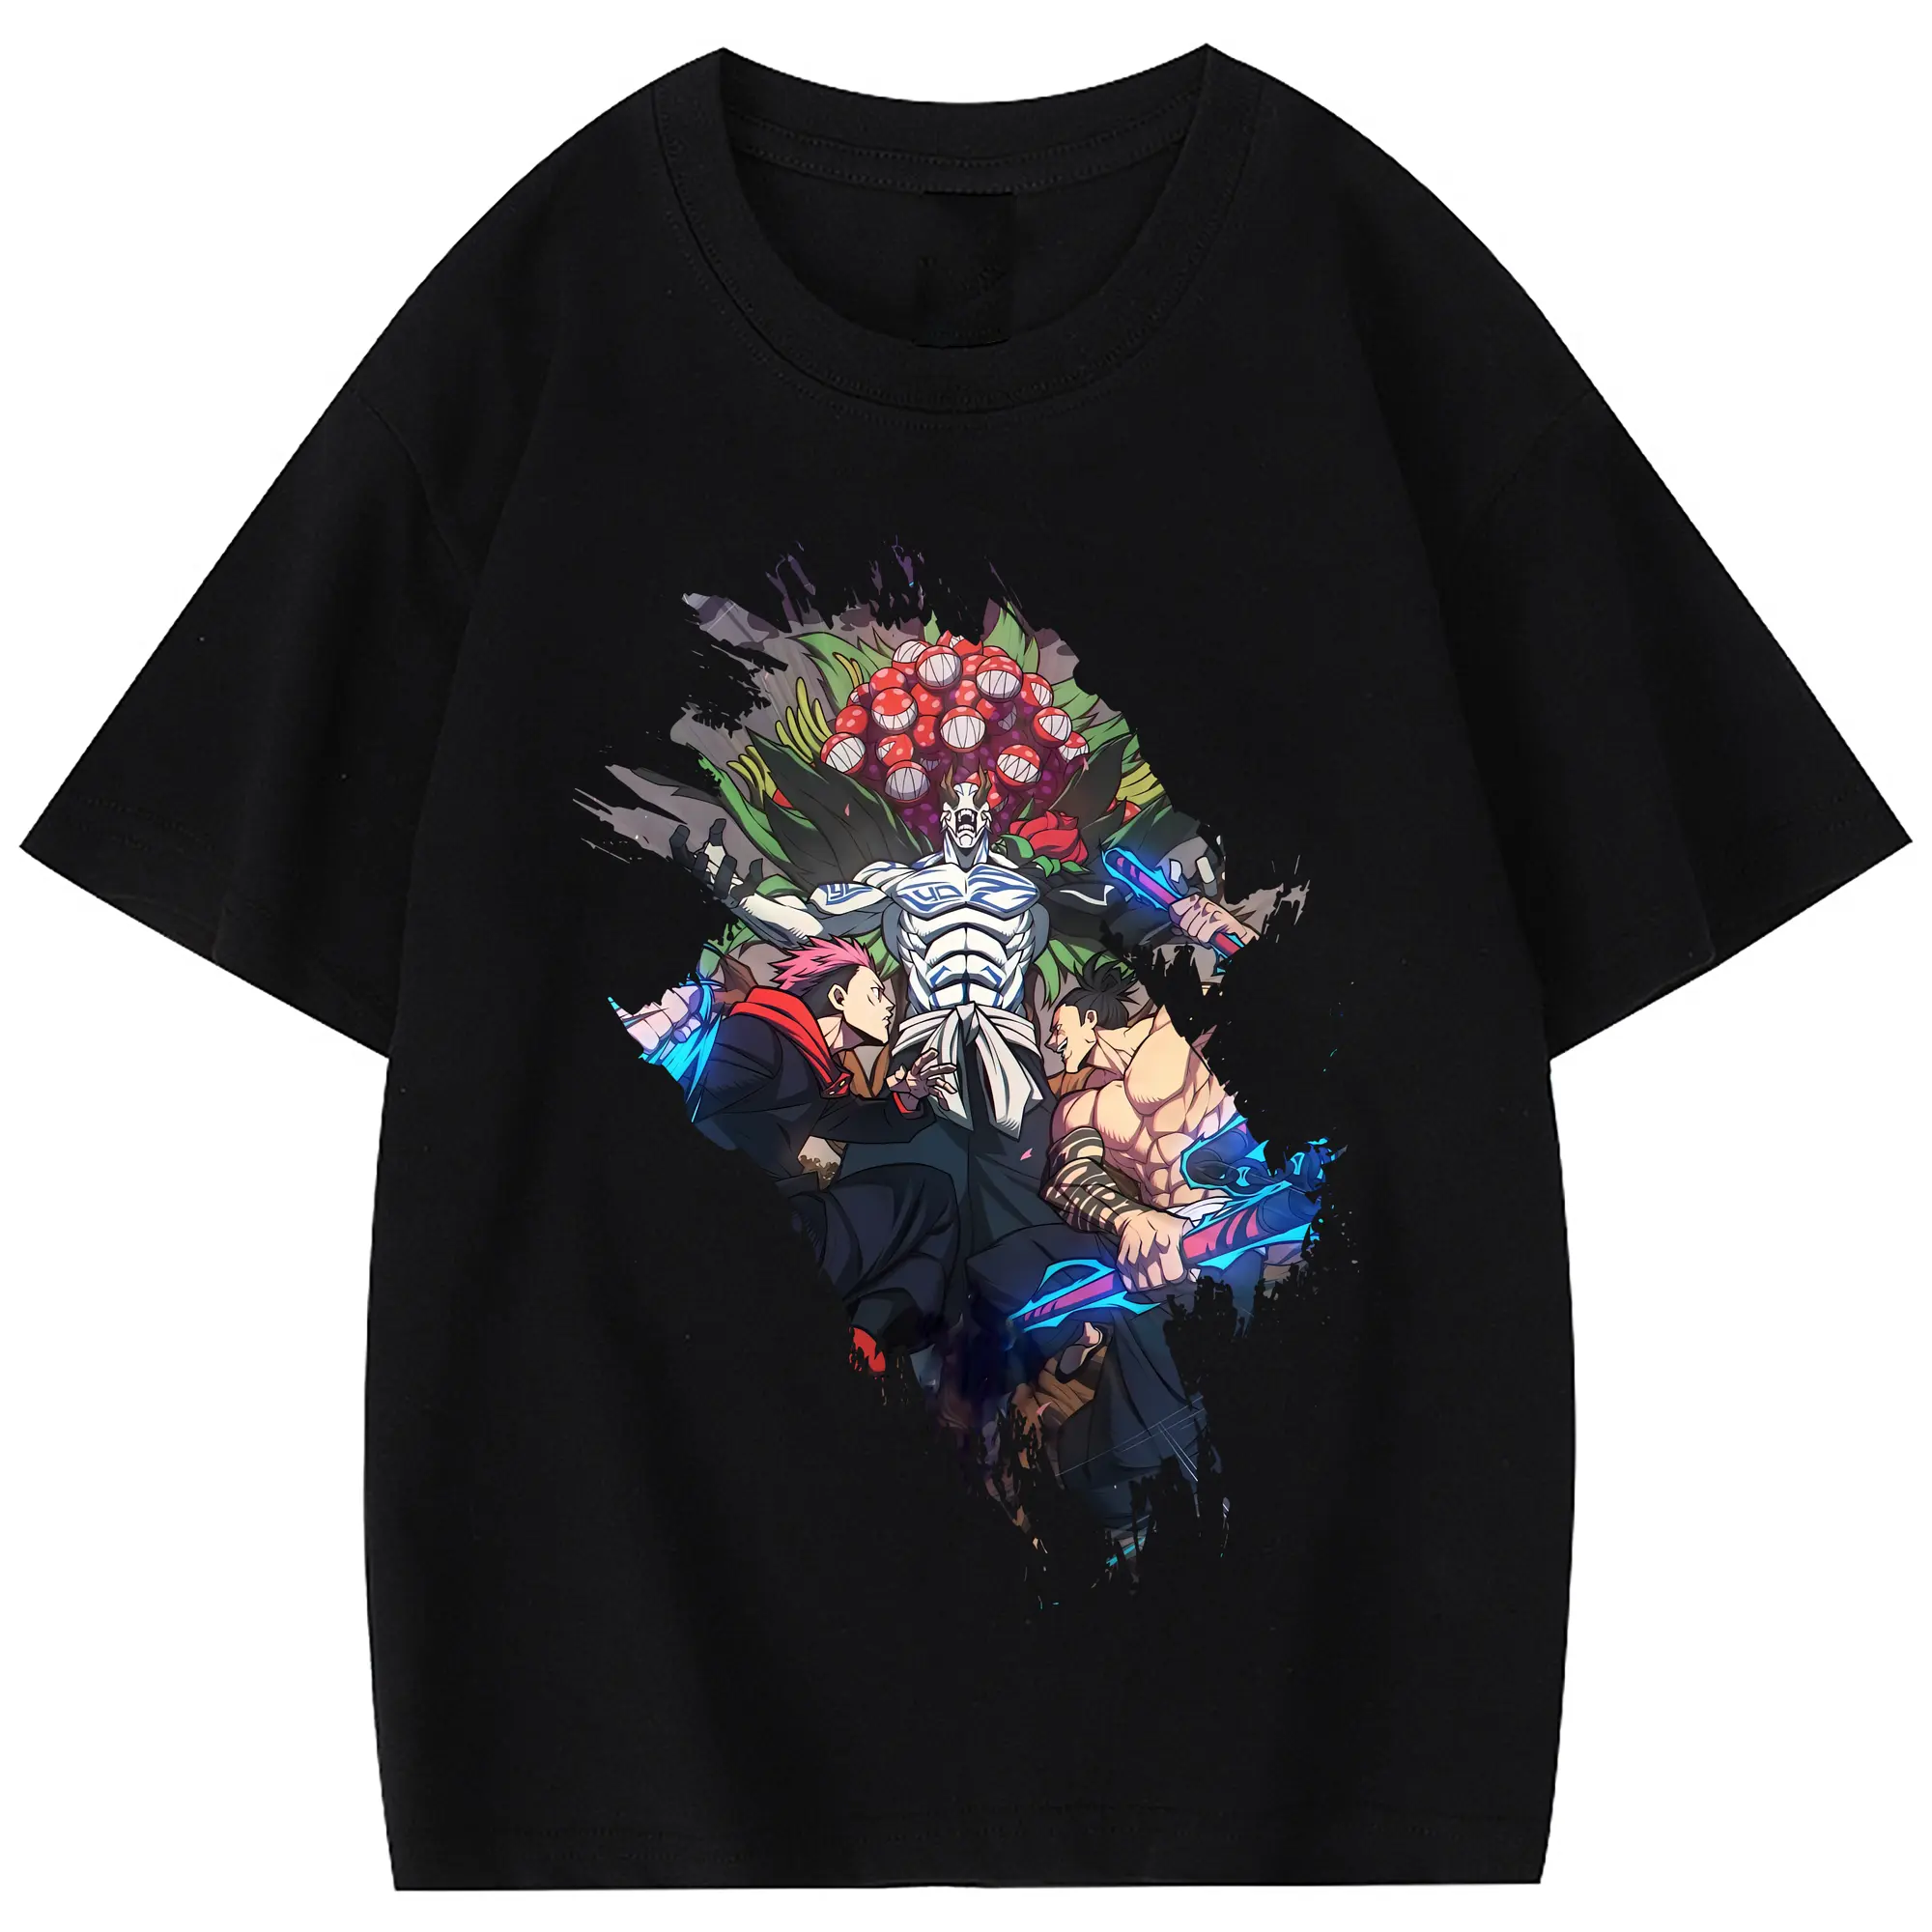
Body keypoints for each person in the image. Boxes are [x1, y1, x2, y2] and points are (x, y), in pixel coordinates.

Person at [615, 938, 959, 1366]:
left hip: (781, 1229)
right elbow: (691, 1106)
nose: (889, 1005)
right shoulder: (759, 1038)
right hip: (766, 1237)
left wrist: (906, 1098)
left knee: (931, 1192)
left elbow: (854, 1119)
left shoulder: (809, 1062)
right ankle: (864, 1333)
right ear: (839, 998)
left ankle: (863, 1338)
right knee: (934, 1199)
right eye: (875, 993)